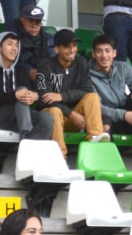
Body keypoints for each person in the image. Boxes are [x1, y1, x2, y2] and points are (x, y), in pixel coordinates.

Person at [36, 29, 109, 157]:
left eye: (74, 46)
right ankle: (59, 156)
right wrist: (71, 113)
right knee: (53, 110)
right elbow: (43, 99)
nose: (72, 50)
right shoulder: (45, 65)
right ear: (57, 49)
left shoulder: (81, 63)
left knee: (92, 97)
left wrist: (62, 96)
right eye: (66, 46)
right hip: (51, 120)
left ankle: (94, 141)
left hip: (74, 121)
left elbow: (87, 90)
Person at [0, 32, 53, 140]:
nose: (14, 48)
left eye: (17, 45)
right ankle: (26, 134)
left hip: (16, 118)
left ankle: (30, 152)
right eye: (10, 44)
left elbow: (27, 95)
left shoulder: (20, 70)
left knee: (46, 118)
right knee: (21, 92)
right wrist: (15, 95)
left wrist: (34, 96)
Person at [9, 4, 54, 81]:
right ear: (21, 21)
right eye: (31, 21)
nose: (34, 26)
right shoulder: (11, 38)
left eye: (38, 22)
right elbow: (13, 63)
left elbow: (54, 62)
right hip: (18, 79)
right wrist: (31, 72)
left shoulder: (47, 39)